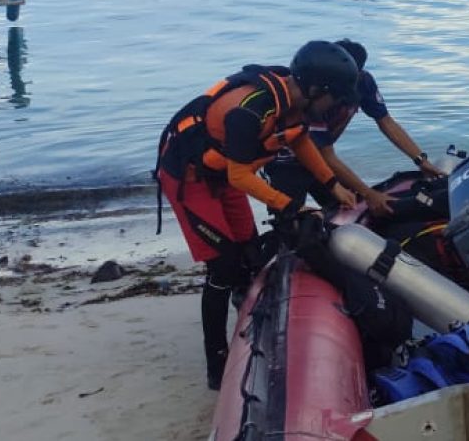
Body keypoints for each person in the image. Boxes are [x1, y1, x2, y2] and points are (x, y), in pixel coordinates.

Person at [154, 40, 361, 390]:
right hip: (189, 179)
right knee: (223, 265)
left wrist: (332, 183)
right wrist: (291, 205)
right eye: (333, 99)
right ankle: (216, 365)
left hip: (223, 175)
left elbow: (299, 141)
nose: (333, 109)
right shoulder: (249, 112)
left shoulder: (295, 101)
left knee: (250, 254)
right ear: (316, 89)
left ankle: (246, 327)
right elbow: (240, 176)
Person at [265, 38, 444, 216]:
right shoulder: (316, 97)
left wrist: (421, 160)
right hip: (286, 161)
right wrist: (369, 193)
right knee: (290, 219)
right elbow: (327, 155)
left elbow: (386, 122)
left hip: (322, 160)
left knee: (349, 209)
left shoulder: (363, 82)